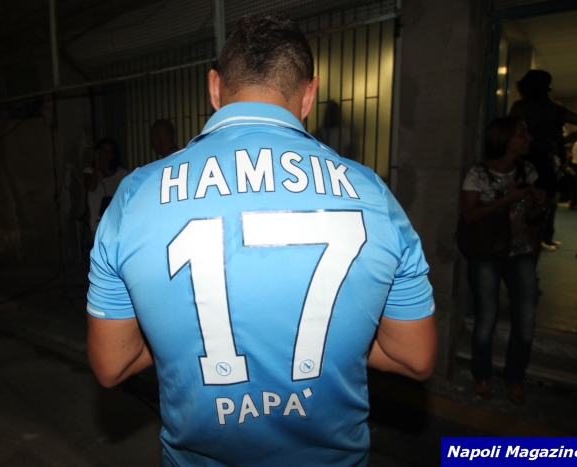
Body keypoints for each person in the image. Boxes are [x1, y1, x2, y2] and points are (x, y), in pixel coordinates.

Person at [86, 13, 437, 466]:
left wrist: (177, 341)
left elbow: (111, 365)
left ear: (214, 87)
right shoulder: (373, 195)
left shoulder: (135, 196)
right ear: (309, 94)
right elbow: (415, 358)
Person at [461, 116, 546, 405]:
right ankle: (482, 375)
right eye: (522, 134)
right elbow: (469, 216)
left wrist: (538, 203)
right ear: (505, 139)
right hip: (486, 254)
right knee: (487, 317)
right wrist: (504, 201)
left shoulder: (527, 171)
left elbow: (530, 218)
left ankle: (515, 378)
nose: (528, 139)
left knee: (526, 320)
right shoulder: (479, 173)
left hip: (519, 252)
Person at [509, 70, 577, 253]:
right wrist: (562, 142)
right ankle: (530, 265)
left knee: (514, 215)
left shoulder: (521, 108)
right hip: (545, 166)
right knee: (536, 222)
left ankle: (513, 260)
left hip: (521, 163)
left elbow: (507, 132)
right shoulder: (556, 110)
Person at [83, 138, 129, 234]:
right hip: (97, 223)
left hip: (116, 221)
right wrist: (97, 165)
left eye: (110, 152)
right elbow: (91, 187)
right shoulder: (89, 172)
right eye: (104, 151)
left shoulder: (121, 173)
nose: (107, 155)